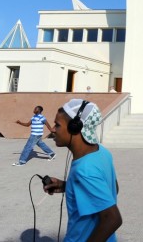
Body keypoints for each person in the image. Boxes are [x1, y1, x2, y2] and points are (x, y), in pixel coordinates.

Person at [43, 99, 122, 241]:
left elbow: (113, 219)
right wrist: (67, 186)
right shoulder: (102, 152)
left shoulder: (84, 170)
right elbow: (112, 189)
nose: (53, 129)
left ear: (75, 127)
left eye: (57, 125)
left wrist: (81, 180)